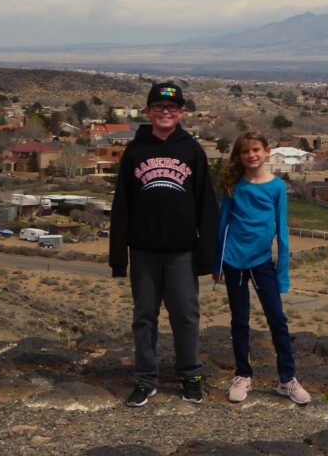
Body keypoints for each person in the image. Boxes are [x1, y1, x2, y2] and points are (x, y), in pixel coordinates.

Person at [109, 81, 218, 407]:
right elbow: (122, 204)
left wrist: (207, 256)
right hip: (142, 252)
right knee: (144, 316)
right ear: (148, 112)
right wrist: (118, 257)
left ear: (181, 113)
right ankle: (146, 380)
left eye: (172, 108)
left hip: (182, 252)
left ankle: (190, 376)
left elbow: (207, 206)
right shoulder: (135, 151)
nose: (165, 112)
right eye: (159, 107)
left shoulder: (192, 150)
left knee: (185, 315)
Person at [215, 131, 310, 405]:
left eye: (256, 149)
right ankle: (243, 375)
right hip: (233, 260)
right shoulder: (233, 184)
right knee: (239, 320)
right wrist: (216, 263)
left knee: (277, 319)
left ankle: (287, 380)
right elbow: (223, 224)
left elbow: (282, 231)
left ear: (267, 151)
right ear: (240, 156)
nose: (251, 155)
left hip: (261, 262)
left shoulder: (277, 187)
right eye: (245, 151)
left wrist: (283, 272)